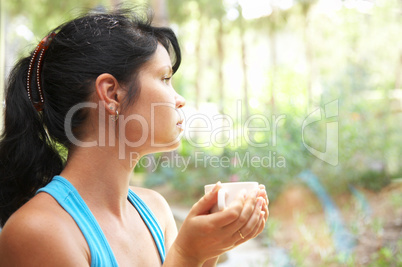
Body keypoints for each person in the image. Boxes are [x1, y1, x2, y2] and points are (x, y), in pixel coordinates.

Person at [0, 9, 269, 266]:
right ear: (111, 94)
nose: (180, 100)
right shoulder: (37, 231)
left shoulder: (156, 210)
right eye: (164, 78)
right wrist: (188, 255)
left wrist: (210, 250)